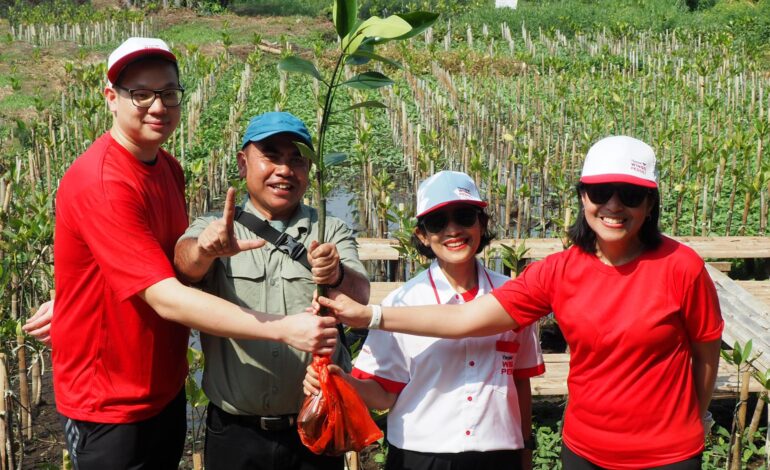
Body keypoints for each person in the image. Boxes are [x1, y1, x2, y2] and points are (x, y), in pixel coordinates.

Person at [318, 136, 724, 469]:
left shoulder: (681, 267)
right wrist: (367, 315)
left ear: (650, 203)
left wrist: (695, 418)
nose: (614, 206)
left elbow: (706, 353)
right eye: (601, 192)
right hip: (584, 451)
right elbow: (467, 319)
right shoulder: (557, 272)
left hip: (667, 453)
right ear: (583, 198)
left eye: (631, 195)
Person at [40, 38, 338, 470]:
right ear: (111, 98)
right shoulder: (102, 181)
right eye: (140, 93)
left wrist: (75, 296)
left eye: (168, 93)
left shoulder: (166, 168)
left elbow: (148, 259)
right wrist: (284, 328)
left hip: (163, 389)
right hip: (108, 400)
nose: (157, 106)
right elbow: (163, 294)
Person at [304, 171, 544, 470]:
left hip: (498, 455)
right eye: (437, 222)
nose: (453, 230)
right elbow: (383, 395)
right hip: (421, 456)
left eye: (464, 216)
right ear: (422, 236)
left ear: (482, 223)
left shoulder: (513, 297)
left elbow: (520, 380)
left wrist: (525, 449)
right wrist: (344, 380)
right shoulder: (401, 303)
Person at [173, 111, 371, 470]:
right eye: (271, 156)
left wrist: (337, 273)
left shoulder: (330, 230)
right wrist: (205, 249)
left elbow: (360, 296)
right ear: (242, 161)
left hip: (314, 423)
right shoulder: (217, 227)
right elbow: (184, 266)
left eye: (297, 160)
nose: (285, 169)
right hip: (235, 433)